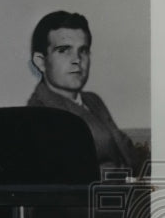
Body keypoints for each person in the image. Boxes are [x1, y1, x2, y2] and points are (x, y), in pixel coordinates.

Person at [28, 11, 147, 175]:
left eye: (83, 50)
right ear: (41, 61)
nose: (77, 59)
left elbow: (124, 148)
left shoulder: (92, 100)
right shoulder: (41, 114)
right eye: (64, 50)